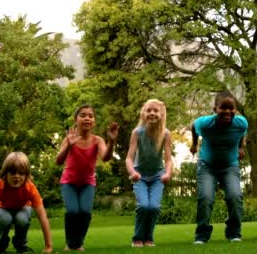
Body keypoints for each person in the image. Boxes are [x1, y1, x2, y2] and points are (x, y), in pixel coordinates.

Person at [56, 104, 118, 251]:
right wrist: (68, 146)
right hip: (69, 182)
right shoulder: (69, 139)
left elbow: (105, 157)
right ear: (75, 119)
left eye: (90, 116)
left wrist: (112, 142)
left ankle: (78, 243)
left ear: (94, 121)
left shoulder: (97, 140)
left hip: (87, 183)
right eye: (83, 115)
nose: (87, 118)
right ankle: (70, 243)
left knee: (85, 212)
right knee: (72, 211)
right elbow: (58, 161)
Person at [189, 90, 248, 244]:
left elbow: (242, 133)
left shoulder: (241, 123)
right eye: (223, 108)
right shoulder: (205, 123)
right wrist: (194, 144)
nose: (228, 111)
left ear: (235, 109)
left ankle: (234, 233)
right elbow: (193, 127)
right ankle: (202, 236)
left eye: (231, 108)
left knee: (235, 196)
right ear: (215, 109)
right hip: (207, 165)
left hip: (230, 165)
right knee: (206, 197)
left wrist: (241, 146)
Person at [0, 152, 53, 254]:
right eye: (13, 172)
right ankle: (0, 246)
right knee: (3, 218)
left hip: (23, 208)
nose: (17, 176)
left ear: (26, 175)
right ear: (6, 173)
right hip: (4, 208)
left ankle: (20, 246)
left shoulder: (30, 188)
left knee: (22, 218)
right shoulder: (0, 186)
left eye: (21, 173)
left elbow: (42, 217)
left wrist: (48, 246)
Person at [125, 99, 173, 248]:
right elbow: (129, 158)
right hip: (140, 176)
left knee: (154, 207)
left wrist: (167, 174)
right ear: (143, 114)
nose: (152, 113)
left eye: (156, 111)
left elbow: (168, 159)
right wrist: (132, 172)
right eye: (149, 110)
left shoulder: (165, 134)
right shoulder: (137, 132)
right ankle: (137, 238)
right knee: (144, 206)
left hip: (157, 176)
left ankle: (149, 238)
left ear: (162, 114)